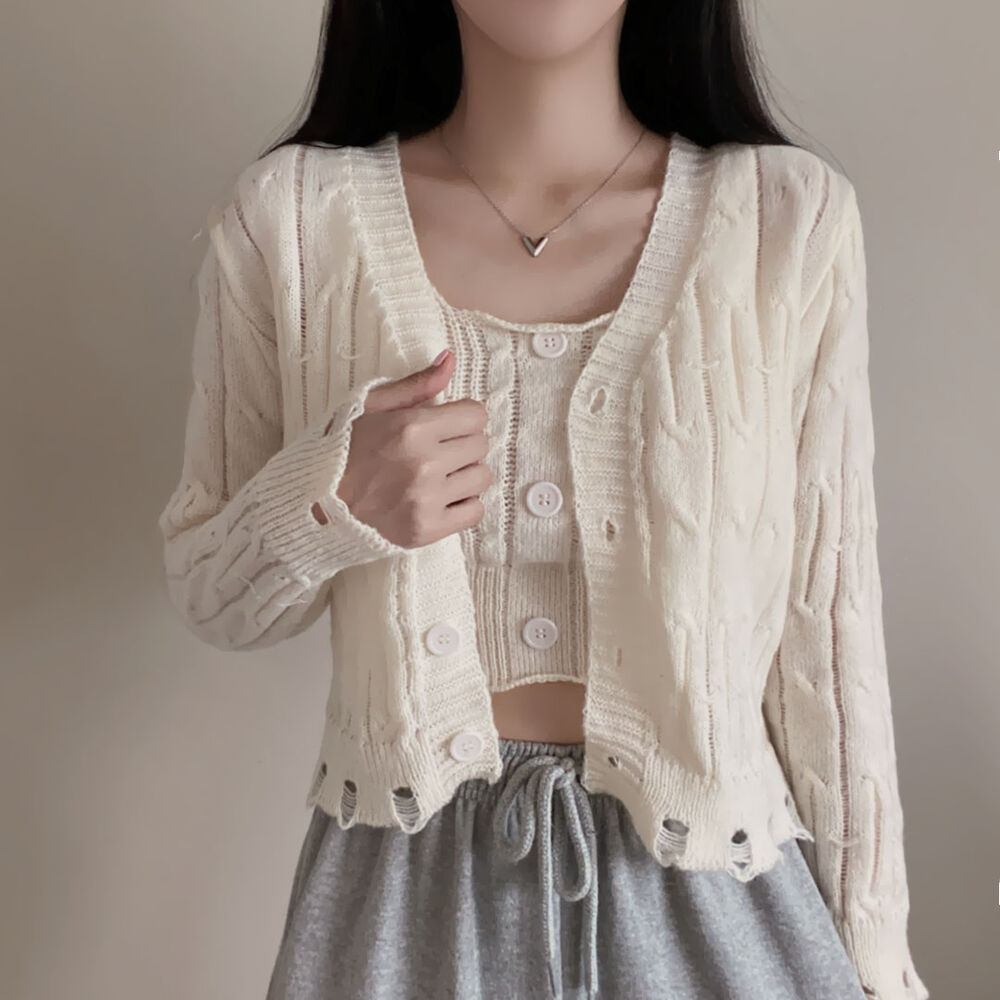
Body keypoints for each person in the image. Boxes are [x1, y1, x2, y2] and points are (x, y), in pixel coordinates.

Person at [157, 2, 929, 998]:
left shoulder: (786, 218)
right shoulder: (292, 219)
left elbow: (831, 632)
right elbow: (211, 595)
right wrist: (330, 498)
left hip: (717, 890)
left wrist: (877, 959)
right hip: (403, 900)